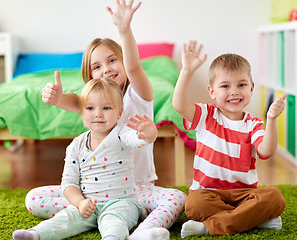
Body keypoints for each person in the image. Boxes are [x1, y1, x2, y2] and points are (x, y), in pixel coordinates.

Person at [25, 1, 186, 240]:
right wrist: (58, 98)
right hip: (93, 194)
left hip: (135, 191)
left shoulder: (139, 96)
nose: (107, 69)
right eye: (97, 66)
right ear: (90, 78)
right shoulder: (93, 104)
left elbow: (133, 66)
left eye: (112, 60)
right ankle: (90, 212)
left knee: (177, 198)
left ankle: (141, 233)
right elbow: (74, 101)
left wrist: (124, 29)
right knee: (33, 198)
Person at [13, 78, 158, 240]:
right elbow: (69, 184)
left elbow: (137, 139)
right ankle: (35, 234)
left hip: (122, 203)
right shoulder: (76, 145)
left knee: (115, 222)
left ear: (120, 112)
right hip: (87, 204)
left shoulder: (121, 133)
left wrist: (149, 134)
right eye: (90, 108)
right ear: (81, 111)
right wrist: (80, 203)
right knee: (64, 218)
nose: (98, 113)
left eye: (106, 108)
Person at [172, 40, 286, 237]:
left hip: (245, 195)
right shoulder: (206, 115)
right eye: (225, 86)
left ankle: (210, 227)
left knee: (275, 197)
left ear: (250, 88)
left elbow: (266, 150)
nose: (234, 91)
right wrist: (187, 71)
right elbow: (179, 105)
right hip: (208, 193)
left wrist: (271, 119)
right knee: (193, 205)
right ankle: (252, 219)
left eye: (241, 85)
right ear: (212, 92)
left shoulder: (254, 123)